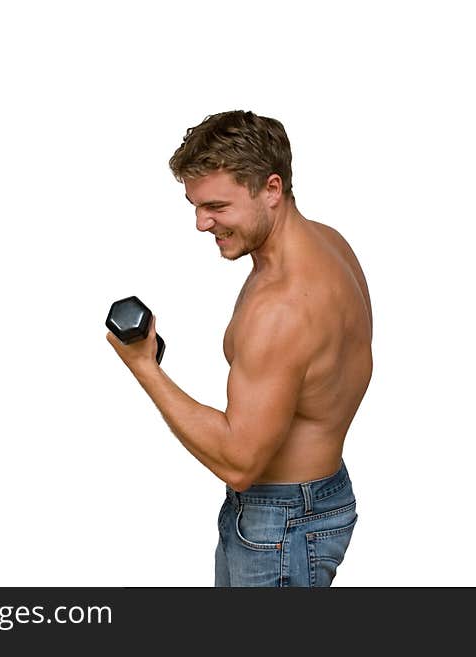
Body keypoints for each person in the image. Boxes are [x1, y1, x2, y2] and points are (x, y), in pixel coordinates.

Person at [106, 110, 373, 587]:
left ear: (272, 189)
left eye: (216, 207)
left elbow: (240, 461)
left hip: (284, 523)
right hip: (306, 502)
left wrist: (143, 366)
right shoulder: (329, 244)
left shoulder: (281, 308)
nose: (201, 223)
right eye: (195, 205)